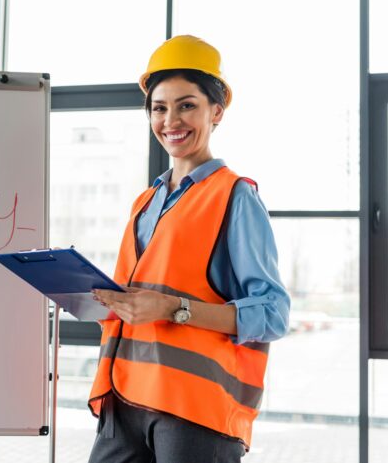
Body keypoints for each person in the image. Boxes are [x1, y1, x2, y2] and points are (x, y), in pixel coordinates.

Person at [87, 35, 290, 463]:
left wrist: (172, 308)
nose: (171, 120)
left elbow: (273, 314)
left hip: (194, 412)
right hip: (124, 398)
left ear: (216, 111)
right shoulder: (144, 202)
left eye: (186, 105)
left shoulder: (235, 197)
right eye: (159, 108)